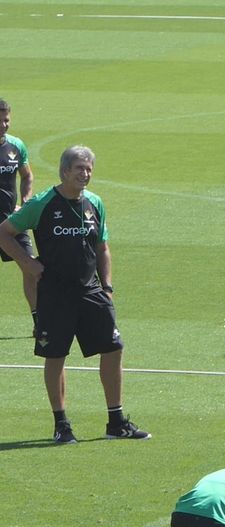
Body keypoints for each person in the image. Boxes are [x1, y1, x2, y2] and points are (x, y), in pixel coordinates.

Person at [0, 145, 149, 443]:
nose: (86, 173)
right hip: (55, 294)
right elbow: (4, 232)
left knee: (114, 347)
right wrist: (28, 263)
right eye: (80, 168)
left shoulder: (95, 203)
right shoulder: (42, 203)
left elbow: (102, 247)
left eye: (89, 168)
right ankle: (61, 424)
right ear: (65, 171)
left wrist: (107, 286)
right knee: (56, 355)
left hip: (91, 290)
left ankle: (116, 422)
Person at [0, 98, 36, 326]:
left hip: (11, 221)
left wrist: (26, 201)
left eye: (6, 120)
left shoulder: (16, 145)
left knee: (31, 267)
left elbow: (27, 175)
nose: (3, 125)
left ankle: (39, 319)